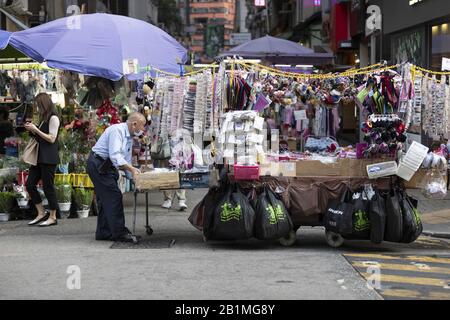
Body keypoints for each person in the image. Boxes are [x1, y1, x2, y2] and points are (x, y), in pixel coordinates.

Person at [87, 112, 145, 243]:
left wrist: (134, 178)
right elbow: (115, 156)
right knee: (114, 196)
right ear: (134, 124)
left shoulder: (129, 137)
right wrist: (131, 169)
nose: (143, 130)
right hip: (99, 164)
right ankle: (119, 233)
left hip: (108, 167)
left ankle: (104, 232)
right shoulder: (117, 130)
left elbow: (126, 159)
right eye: (142, 126)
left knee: (106, 198)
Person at [26, 93, 61, 227]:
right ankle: (41, 212)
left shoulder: (53, 118)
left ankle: (53, 216)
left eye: (38, 105)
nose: (37, 107)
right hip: (39, 157)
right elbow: (42, 136)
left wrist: (36, 129)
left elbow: (52, 138)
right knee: (30, 184)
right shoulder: (43, 118)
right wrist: (32, 129)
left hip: (48, 158)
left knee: (48, 187)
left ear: (44, 104)